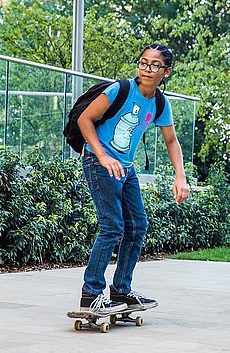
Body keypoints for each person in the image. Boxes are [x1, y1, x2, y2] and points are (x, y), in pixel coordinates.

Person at [78, 43, 190, 314]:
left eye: (154, 65)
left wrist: (180, 176)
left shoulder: (160, 103)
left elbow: (172, 140)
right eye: (143, 63)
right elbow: (85, 120)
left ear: (167, 71)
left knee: (137, 225)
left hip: (126, 168)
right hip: (98, 161)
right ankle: (91, 293)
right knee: (112, 227)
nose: (147, 69)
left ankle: (121, 290)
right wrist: (103, 156)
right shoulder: (120, 90)